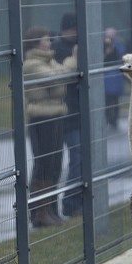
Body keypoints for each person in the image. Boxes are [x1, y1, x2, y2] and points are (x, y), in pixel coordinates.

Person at [23, 27, 72, 227]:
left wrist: (61, 73)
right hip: (42, 118)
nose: (50, 42)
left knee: (55, 163)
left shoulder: (49, 61)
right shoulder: (32, 64)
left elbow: (61, 80)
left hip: (56, 115)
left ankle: (51, 209)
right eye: (46, 39)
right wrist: (69, 65)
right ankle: (40, 212)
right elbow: (57, 82)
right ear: (36, 43)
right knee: (43, 164)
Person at [52, 13, 82, 218]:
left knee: (81, 160)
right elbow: (64, 75)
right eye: (73, 29)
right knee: (76, 160)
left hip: (79, 113)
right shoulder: (59, 50)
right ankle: (69, 203)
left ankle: (77, 200)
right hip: (67, 115)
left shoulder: (79, 46)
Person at [103, 28, 126, 130]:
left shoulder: (119, 47)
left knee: (115, 100)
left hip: (115, 78)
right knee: (107, 100)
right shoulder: (102, 47)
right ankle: (109, 119)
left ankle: (114, 120)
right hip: (108, 78)